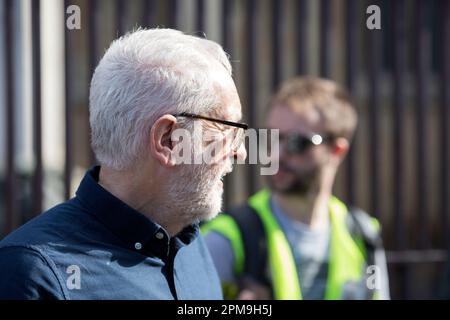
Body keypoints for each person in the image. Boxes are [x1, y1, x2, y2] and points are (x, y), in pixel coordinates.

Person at [0, 28, 247, 299]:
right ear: (169, 140)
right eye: (228, 130)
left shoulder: (189, 242)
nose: (241, 152)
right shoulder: (32, 274)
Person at [203, 77, 390, 300]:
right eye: (272, 139)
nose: (277, 154)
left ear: (336, 151)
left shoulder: (363, 235)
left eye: (296, 142)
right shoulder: (227, 238)